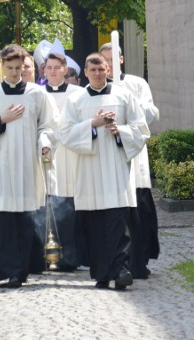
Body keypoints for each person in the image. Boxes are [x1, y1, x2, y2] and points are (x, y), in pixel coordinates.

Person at [0, 44, 56, 289]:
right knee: (1, 219)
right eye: (10, 68)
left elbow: (48, 126)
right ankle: (3, 270)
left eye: (19, 68)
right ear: (2, 68)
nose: (15, 73)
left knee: (24, 219)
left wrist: (45, 142)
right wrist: (1, 121)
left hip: (26, 163)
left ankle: (21, 270)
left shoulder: (37, 94)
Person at [57, 53, 149, 290]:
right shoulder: (76, 101)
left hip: (116, 170)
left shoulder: (124, 96)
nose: (97, 74)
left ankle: (121, 271)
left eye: (101, 70)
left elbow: (141, 130)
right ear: (85, 73)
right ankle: (100, 273)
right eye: (93, 70)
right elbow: (64, 134)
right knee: (95, 226)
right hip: (89, 171)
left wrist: (122, 131)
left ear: (108, 70)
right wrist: (92, 125)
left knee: (118, 224)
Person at [101, 41, 161, 279]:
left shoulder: (136, 84)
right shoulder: (97, 88)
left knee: (139, 215)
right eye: (104, 61)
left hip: (135, 159)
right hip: (108, 159)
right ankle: (116, 262)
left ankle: (139, 261)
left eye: (112, 60)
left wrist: (129, 103)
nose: (107, 66)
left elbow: (151, 114)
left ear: (121, 60)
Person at [42, 53, 87, 270]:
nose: (52, 71)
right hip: (49, 155)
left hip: (73, 154)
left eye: (56, 67)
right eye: (48, 67)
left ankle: (77, 256)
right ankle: (52, 255)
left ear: (65, 69)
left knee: (75, 206)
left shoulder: (78, 94)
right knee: (53, 208)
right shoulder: (37, 93)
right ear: (44, 70)